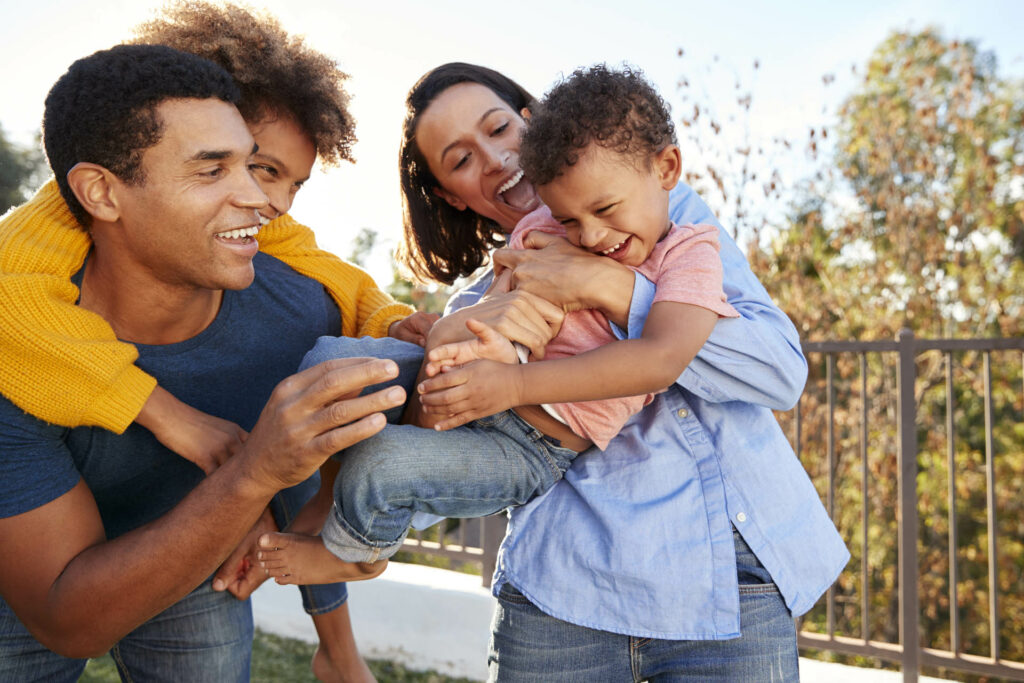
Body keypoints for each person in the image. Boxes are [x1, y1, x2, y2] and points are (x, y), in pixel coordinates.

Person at [0, 4, 432, 680]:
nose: (269, 202)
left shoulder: (283, 282)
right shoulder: (25, 276)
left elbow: (335, 279)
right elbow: (66, 617)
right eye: (219, 168)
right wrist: (190, 429)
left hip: (186, 530)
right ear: (101, 192)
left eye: (261, 172)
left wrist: (337, 528)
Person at [396, 62, 849, 681]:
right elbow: (457, 461)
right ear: (451, 193)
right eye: (461, 159)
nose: (498, 159)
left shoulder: (679, 226)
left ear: (531, 123)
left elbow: (777, 373)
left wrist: (611, 286)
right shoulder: (476, 308)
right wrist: (449, 351)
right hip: (559, 597)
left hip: (726, 588)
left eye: (499, 128)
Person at [254, 65, 739, 584]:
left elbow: (661, 359)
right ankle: (272, 481)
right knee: (332, 361)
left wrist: (513, 382)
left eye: (602, 209)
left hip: (530, 444)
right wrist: (461, 343)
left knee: (384, 462)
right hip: (482, 381)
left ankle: (356, 554)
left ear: (667, 168)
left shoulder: (690, 252)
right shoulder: (544, 224)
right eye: (571, 219)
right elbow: (496, 303)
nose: (591, 235)